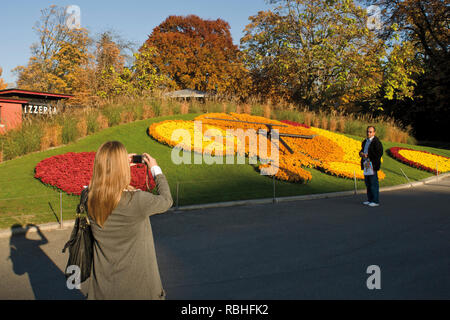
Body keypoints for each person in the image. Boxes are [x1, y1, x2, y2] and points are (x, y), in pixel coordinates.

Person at [86, 141, 173, 300]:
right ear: (122, 168)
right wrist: (155, 169)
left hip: (104, 289)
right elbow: (167, 200)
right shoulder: (136, 201)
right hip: (140, 290)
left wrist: (115, 164)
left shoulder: (88, 198)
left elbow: (97, 186)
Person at [359, 126, 383, 207]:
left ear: (374, 133)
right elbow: (362, 150)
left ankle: (375, 201)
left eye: (370, 132)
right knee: (368, 183)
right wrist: (361, 153)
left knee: (373, 183)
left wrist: (368, 155)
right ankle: (370, 199)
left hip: (372, 164)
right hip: (366, 163)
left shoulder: (376, 142)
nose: (368, 133)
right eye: (368, 131)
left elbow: (379, 153)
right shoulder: (365, 141)